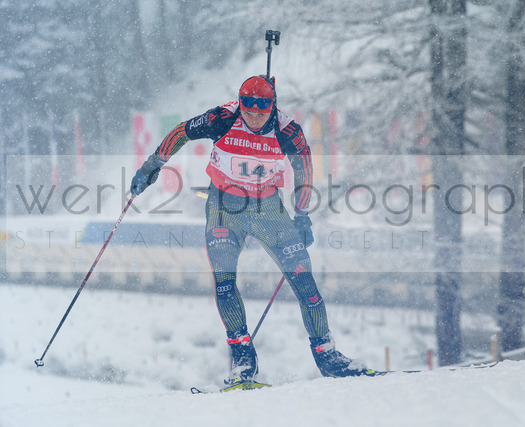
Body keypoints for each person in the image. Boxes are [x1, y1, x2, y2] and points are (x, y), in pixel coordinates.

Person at [130, 75, 368, 385]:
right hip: (223, 208)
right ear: (240, 104)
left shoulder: (287, 130)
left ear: (272, 107)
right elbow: (181, 132)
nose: (254, 118)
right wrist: (152, 165)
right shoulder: (223, 117)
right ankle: (243, 360)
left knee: (303, 278)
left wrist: (302, 213)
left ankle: (327, 355)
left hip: (267, 208)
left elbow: (304, 167)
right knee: (225, 282)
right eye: (248, 110)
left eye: (261, 111)